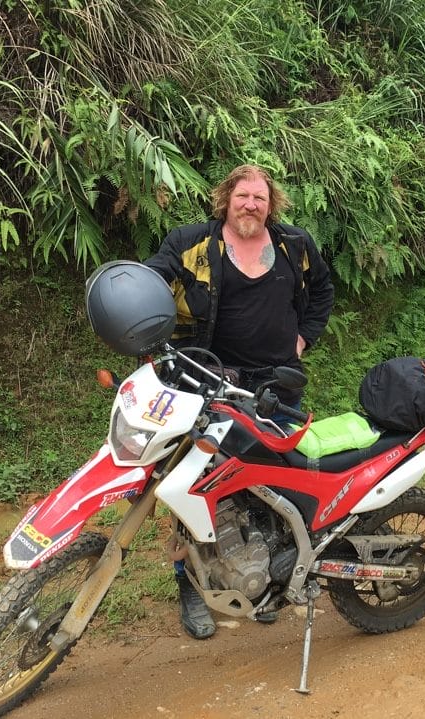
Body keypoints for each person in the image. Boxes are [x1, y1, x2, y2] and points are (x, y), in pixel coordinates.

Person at [144, 164, 335, 640]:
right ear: (226, 198)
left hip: (277, 387)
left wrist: (303, 339)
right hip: (209, 385)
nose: (251, 204)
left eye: (260, 198)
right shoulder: (194, 244)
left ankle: (267, 582)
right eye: (243, 195)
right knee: (198, 489)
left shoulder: (295, 245)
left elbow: (324, 293)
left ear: (272, 205)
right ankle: (192, 588)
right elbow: (151, 282)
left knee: (275, 486)